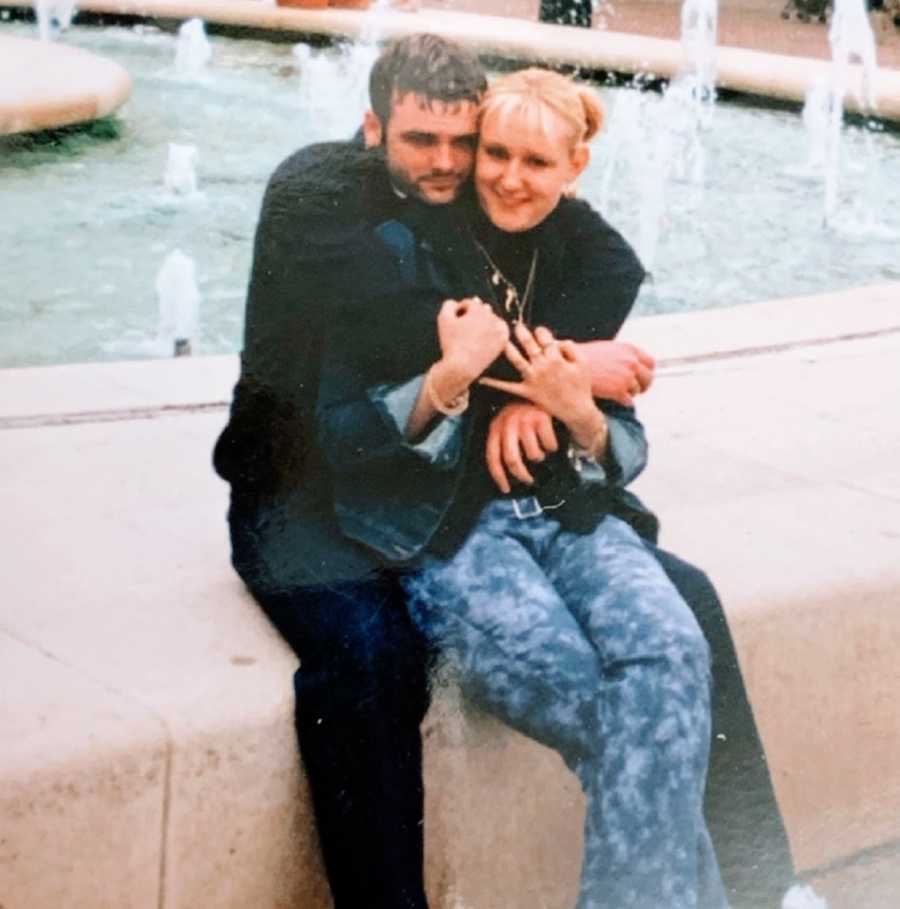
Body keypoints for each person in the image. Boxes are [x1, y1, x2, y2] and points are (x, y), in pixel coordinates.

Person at [214, 33, 792, 908]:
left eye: (465, 141)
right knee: (373, 658)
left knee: (691, 602)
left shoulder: (463, 195)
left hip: (434, 482)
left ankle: (766, 885)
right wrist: (566, 363)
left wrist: (552, 386)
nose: (452, 164)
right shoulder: (319, 194)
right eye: (421, 141)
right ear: (373, 127)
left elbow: (599, 253)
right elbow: (408, 320)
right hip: (301, 494)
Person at [315, 66, 729, 908]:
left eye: (535, 162)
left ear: (574, 167)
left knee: (674, 652)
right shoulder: (417, 236)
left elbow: (619, 436)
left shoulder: (589, 255)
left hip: (569, 514)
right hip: (456, 527)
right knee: (632, 716)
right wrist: (555, 373)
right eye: (494, 153)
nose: (508, 175)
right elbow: (401, 375)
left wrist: (571, 402)